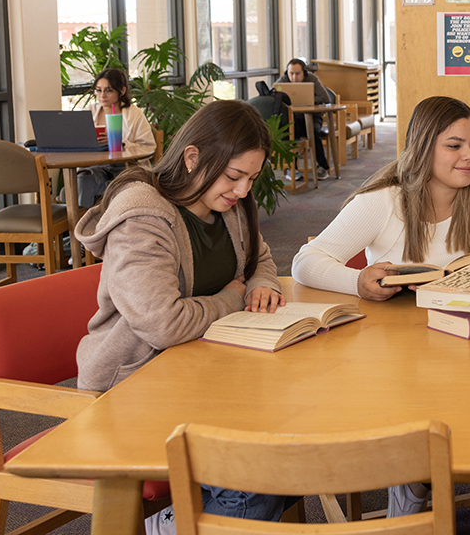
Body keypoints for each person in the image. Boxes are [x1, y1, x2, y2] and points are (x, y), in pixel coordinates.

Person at [292, 95, 470, 518]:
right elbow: (304, 262)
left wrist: (460, 276)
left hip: (464, 331)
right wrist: (357, 281)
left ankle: (446, 468)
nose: (469, 156)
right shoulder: (384, 199)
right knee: (415, 396)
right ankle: (413, 481)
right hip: (392, 347)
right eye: (454, 145)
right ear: (423, 147)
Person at [74, 99, 293, 525]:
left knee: (294, 446)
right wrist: (233, 296)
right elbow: (165, 324)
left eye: (251, 178)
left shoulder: (227, 206)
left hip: (210, 376)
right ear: (192, 157)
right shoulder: (142, 216)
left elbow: (259, 258)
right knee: (249, 477)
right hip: (134, 388)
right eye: (234, 176)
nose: (244, 191)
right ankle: (171, 525)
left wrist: (262, 282)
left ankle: (184, 519)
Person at [77, 67, 157, 207]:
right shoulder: (89, 112)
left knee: (84, 186)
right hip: (97, 167)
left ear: (122, 91)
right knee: (84, 179)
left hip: (126, 168)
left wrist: (121, 143)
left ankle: (90, 218)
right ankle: (87, 223)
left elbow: (148, 147)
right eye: (98, 90)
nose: (102, 95)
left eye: (108, 90)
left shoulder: (134, 114)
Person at [276, 58, 331, 180]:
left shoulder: (312, 79)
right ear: (287, 73)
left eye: (297, 73)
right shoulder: (284, 80)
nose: (294, 77)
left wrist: (307, 100)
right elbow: (274, 95)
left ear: (304, 73)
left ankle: (322, 166)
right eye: (291, 73)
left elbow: (325, 98)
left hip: (313, 116)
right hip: (293, 118)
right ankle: (292, 168)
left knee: (313, 132)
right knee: (288, 133)